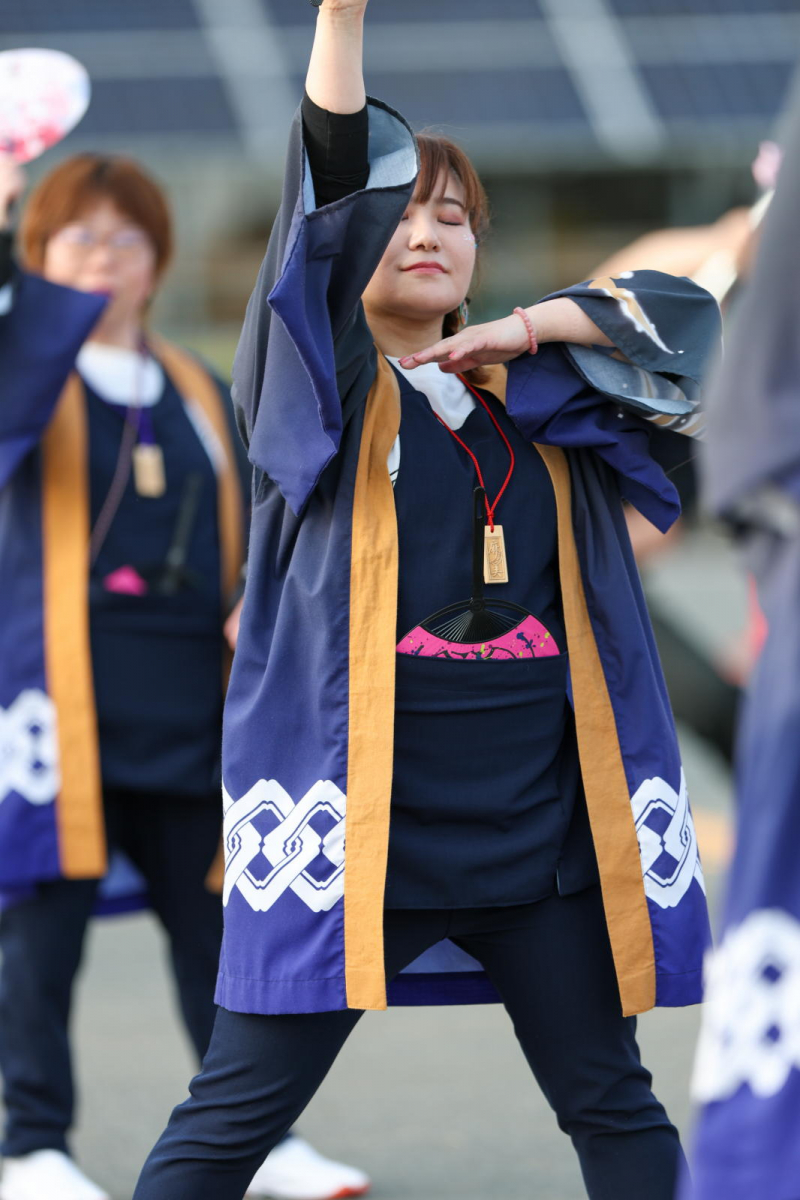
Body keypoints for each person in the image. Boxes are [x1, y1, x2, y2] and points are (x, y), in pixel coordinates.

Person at [132, 2, 721, 1197]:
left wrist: (524, 328)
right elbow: (327, 172)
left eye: (452, 217)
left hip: (539, 839)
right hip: (365, 834)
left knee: (614, 1105)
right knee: (230, 1118)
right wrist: (340, 18)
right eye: (400, 215)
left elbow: (683, 324)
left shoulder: (544, 401)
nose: (424, 233)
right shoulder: (318, 393)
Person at [0, 150, 368, 1200]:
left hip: (193, 704)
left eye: (127, 240)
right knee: (38, 940)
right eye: (78, 239)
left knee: (226, 934)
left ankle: (261, 1138)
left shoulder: (201, 384)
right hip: (58, 705)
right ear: (38, 257)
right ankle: (32, 1146)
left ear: (159, 260)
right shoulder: (25, 378)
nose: (105, 258)